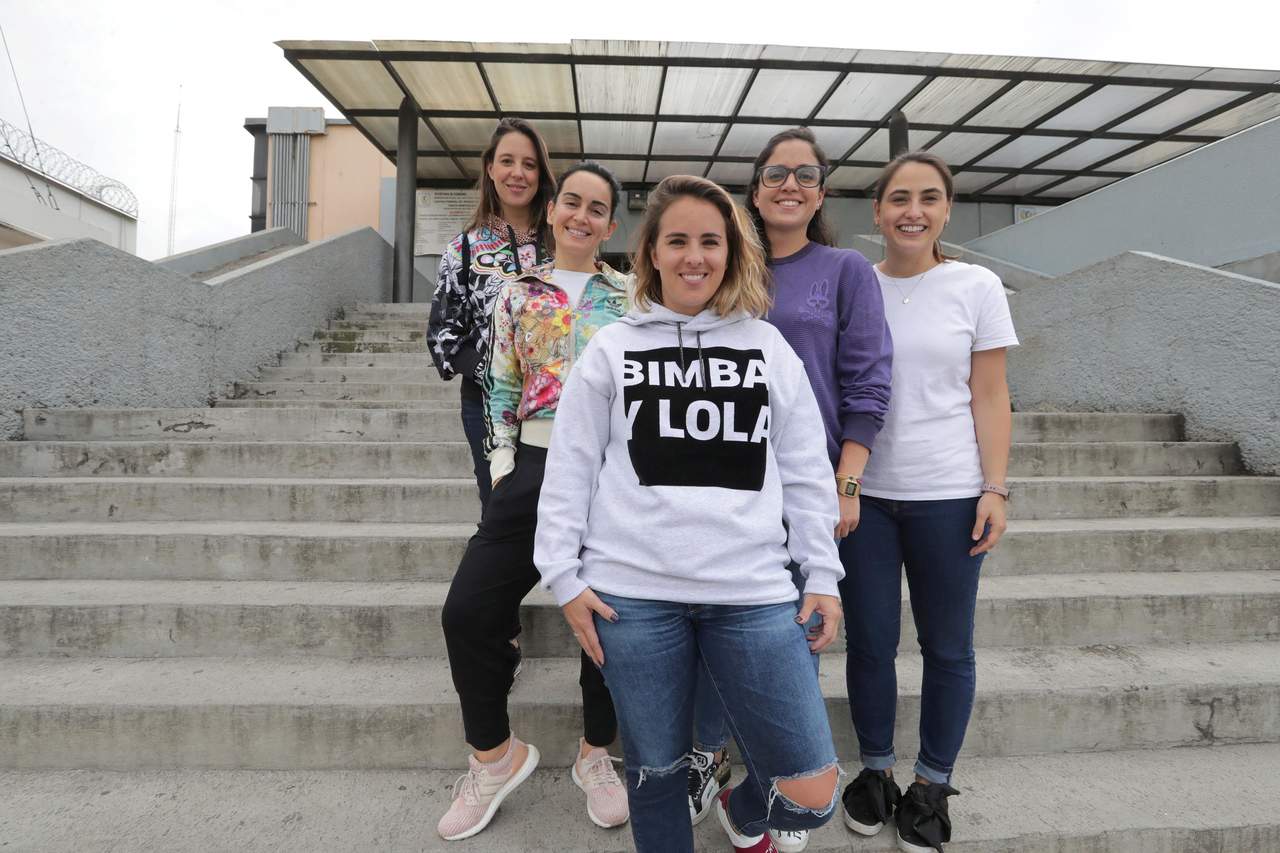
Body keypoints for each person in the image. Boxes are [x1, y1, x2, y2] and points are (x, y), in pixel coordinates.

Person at [535, 174, 845, 853]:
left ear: (731, 253)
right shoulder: (612, 347)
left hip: (752, 593)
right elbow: (570, 468)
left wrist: (822, 571)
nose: (694, 256)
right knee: (656, 777)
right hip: (633, 598)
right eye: (677, 241)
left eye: (710, 241)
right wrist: (563, 577)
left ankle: (742, 807)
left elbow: (804, 471)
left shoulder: (768, 347)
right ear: (651, 253)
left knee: (811, 792)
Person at [686, 127, 893, 853]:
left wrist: (847, 481)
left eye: (806, 174)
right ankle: (706, 756)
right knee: (716, 620)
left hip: (807, 485)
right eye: (776, 173)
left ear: (822, 191)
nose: (790, 185)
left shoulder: (845, 270)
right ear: (755, 187)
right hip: (724, 483)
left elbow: (868, 381)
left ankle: (778, 775)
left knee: (794, 634)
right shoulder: (720, 264)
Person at [437, 161, 631, 841]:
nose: (582, 215)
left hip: (611, 474)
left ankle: (595, 755)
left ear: (611, 225)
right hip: (535, 468)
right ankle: (495, 758)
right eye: (572, 201)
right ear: (552, 210)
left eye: (597, 208)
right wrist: (502, 469)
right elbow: (498, 385)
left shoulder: (633, 296)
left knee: (608, 618)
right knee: (469, 611)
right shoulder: (515, 293)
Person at [839, 151, 1018, 853]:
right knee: (870, 643)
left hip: (949, 495)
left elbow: (990, 394)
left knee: (947, 647)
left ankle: (932, 783)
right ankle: (876, 770)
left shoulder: (976, 285)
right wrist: (842, 485)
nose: (912, 211)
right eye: (899, 198)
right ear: (877, 210)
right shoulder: (856, 282)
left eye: (929, 198)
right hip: (867, 499)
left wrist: (994, 487)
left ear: (946, 210)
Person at [428, 117, 555, 512]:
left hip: (554, 406)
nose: (518, 173)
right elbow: (443, 336)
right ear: (490, 168)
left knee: (555, 509)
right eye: (507, 161)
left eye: (529, 164)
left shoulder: (562, 245)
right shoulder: (462, 250)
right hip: (485, 405)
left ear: (541, 174)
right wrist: (491, 371)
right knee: (500, 509)